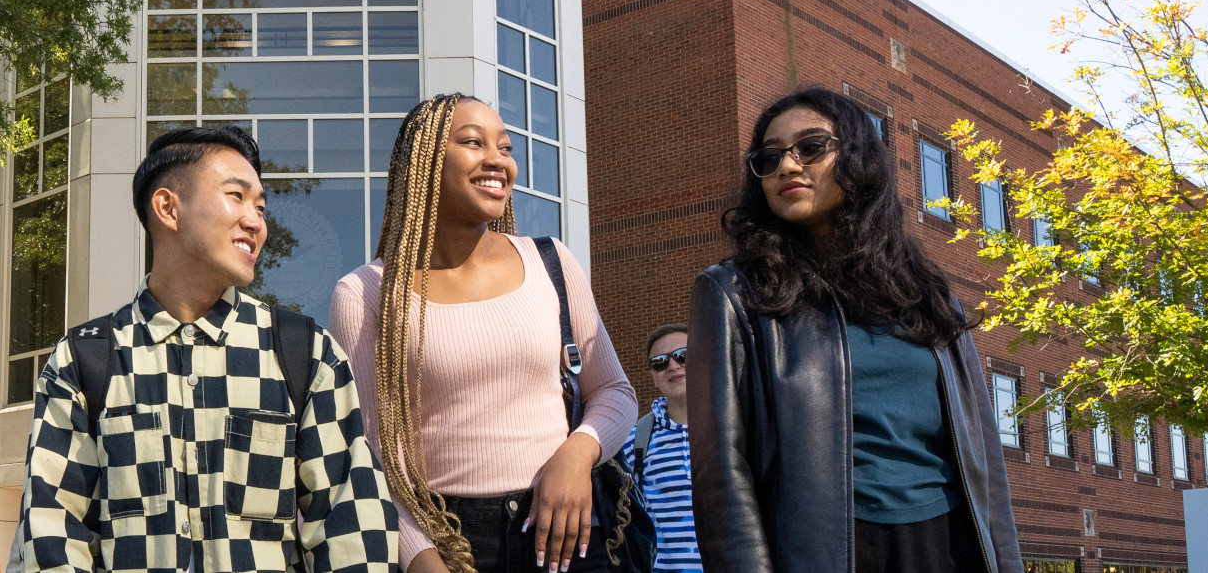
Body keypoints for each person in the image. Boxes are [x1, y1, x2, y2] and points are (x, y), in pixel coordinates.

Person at [10, 126, 399, 573]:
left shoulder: (304, 353)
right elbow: (51, 534)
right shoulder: (83, 362)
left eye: (260, 207)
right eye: (236, 196)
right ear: (168, 208)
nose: (256, 222)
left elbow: (354, 531)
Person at [689, 88, 1022, 572]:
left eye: (810, 147)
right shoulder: (734, 293)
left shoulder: (927, 294)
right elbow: (721, 469)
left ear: (858, 157)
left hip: (949, 542)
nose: (787, 166)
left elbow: (985, 455)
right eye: (770, 157)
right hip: (825, 550)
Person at [328, 93, 637, 573]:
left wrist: (578, 453)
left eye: (506, 148)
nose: (498, 160)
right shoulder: (366, 293)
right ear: (425, 161)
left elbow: (615, 391)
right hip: (450, 540)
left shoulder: (551, 261)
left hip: (567, 530)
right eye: (474, 142)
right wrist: (421, 559)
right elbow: (371, 454)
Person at [615, 325, 701, 572]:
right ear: (653, 375)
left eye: (683, 355)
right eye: (660, 362)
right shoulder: (633, 441)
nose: (672, 366)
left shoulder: (736, 428)